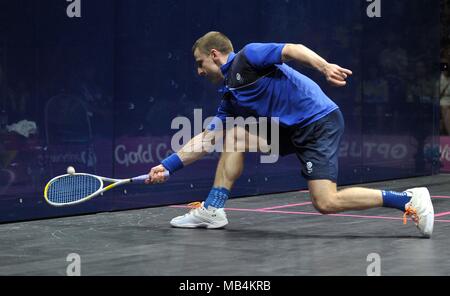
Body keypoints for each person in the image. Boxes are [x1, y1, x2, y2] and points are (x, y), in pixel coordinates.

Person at [146, 31, 434, 237]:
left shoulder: (248, 57)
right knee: (232, 135)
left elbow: (292, 49)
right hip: (290, 129)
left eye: (200, 63)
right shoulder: (229, 98)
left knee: (325, 202)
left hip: (318, 121)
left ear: (214, 55)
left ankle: (407, 200)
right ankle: (213, 209)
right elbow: (206, 139)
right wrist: (168, 166)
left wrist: (324, 67)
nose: (198, 71)